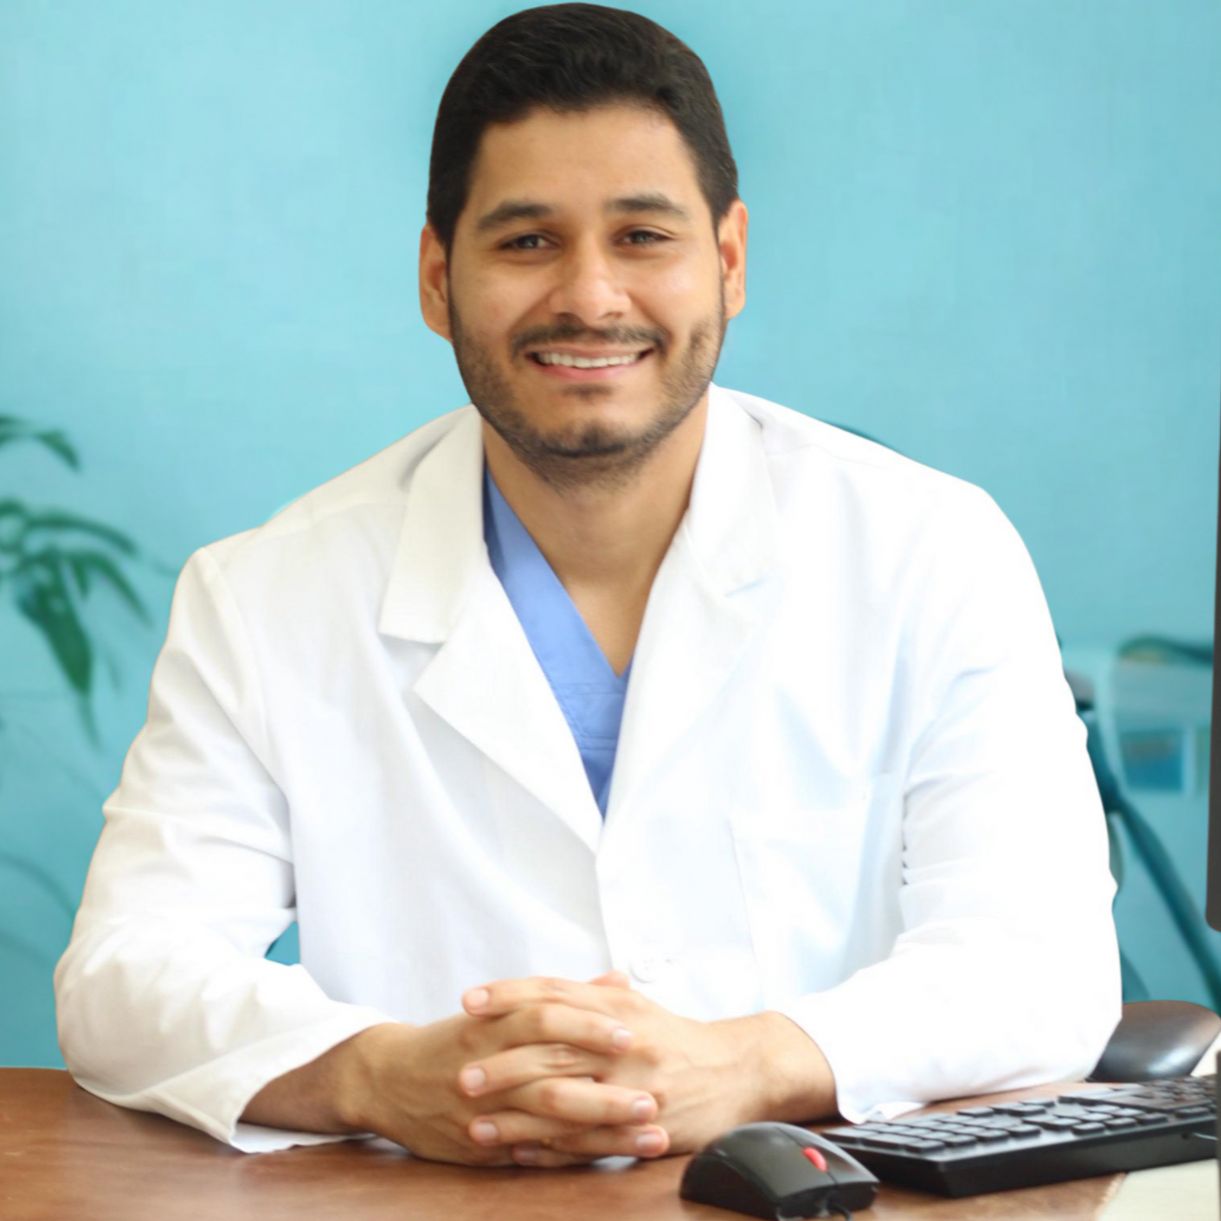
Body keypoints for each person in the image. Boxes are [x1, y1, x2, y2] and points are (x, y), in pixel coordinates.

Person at [54, 3, 1120, 1167]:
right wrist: (376, 1074)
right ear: (436, 278)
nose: (592, 297)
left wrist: (756, 1061)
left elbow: (1043, 965)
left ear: (728, 261)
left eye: (643, 236)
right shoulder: (265, 595)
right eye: (526, 242)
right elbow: (124, 974)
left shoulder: (930, 553)